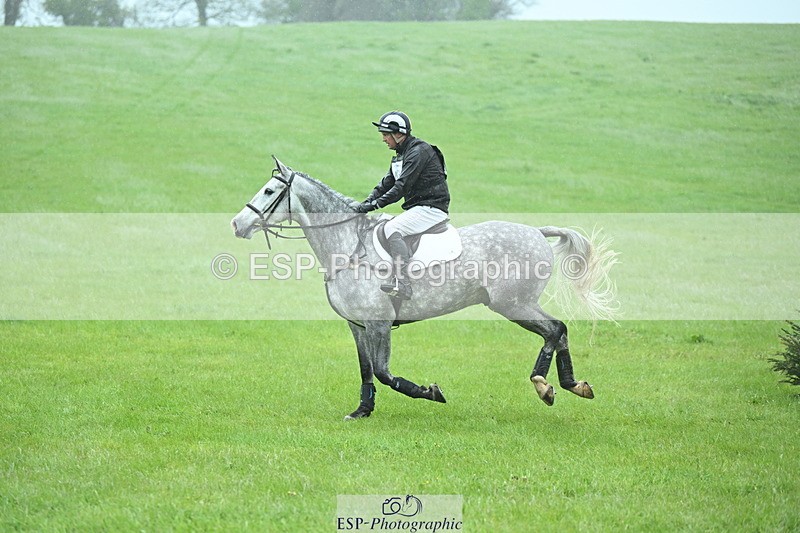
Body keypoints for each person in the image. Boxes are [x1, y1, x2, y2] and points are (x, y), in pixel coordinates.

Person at [355, 111, 450, 301]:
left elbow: (400, 187)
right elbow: (386, 184)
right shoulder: (401, 155)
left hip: (431, 208)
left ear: (398, 134)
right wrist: (364, 203)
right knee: (383, 223)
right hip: (419, 208)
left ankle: (403, 283)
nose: (383, 139)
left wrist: (373, 206)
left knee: (392, 227)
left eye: (385, 135)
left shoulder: (419, 152)